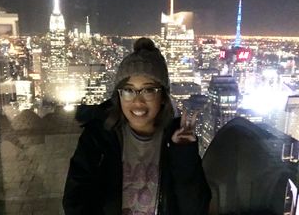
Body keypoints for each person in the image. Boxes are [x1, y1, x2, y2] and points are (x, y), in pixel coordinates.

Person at [62, 37, 211, 215]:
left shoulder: (175, 142)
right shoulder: (98, 137)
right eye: (128, 90)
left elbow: (195, 209)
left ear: (163, 96)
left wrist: (184, 154)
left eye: (148, 90)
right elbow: (75, 201)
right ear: (119, 95)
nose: (137, 101)